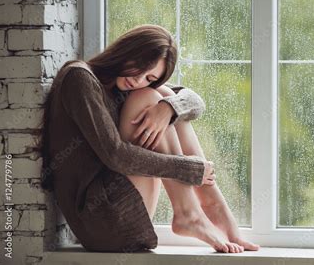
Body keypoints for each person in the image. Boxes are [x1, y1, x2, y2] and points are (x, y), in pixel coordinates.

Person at [37, 24, 260, 253]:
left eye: (150, 77)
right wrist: (189, 168)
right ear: (127, 50)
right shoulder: (80, 77)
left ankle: (215, 210)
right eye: (139, 67)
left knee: (165, 98)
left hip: (126, 207)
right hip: (100, 221)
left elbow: (194, 102)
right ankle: (189, 213)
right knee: (149, 98)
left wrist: (168, 109)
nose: (139, 79)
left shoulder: (125, 86)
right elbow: (115, 156)